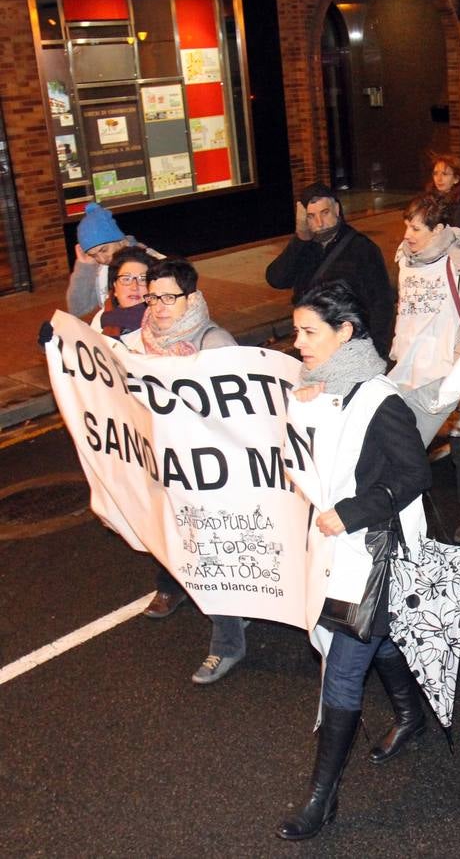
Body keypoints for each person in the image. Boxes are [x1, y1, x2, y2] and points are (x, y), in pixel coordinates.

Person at [276, 281, 432, 841]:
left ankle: (322, 799)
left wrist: (352, 512)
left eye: (308, 332)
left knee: (343, 668)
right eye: (296, 331)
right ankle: (411, 715)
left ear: (345, 332)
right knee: (377, 639)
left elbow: (415, 474)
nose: (297, 343)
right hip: (333, 549)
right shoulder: (313, 390)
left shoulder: (380, 399)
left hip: (375, 553)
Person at [120, 259, 246, 684]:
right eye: (153, 297)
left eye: (169, 297)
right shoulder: (140, 343)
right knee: (188, 550)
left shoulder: (215, 343)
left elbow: (243, 416)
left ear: (191, 298)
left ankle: (226, 644)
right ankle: (238, 613)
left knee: (211, 554)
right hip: (167, 471)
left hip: (212, 474)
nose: (158, 306)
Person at [388, 194, 460, 543]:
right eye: (407, 226)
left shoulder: (459, 264)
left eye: (415, 228)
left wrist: (459, 369)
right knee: (402, 454)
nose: (407, 234)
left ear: (438, 229)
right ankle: (407, 531)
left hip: (451, 375)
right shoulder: (406, 260)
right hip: (409, 372)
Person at [264, 183, 396, 359]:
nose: (319, 223)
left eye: (325, 213)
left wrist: (376, 351)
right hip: (313, 345)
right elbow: (277, 278)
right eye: (311, 216)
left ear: (337, 210)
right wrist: (300, 238)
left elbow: (381, 304)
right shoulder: (305, 248)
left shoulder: (361, 248)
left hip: (348, 344)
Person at [67, 201, 162, 318]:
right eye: (94, 255)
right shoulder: (98, 269)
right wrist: (84, 267)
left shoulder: (153, 262)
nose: (101, 259)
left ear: (121, 241)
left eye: (104, 250)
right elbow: (78, 311)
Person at [90, 246, 155, 339]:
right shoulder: (102, 317)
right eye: (126, 279)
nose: (134, 287)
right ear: (115, 288)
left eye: (143, 279)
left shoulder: (160, 319)